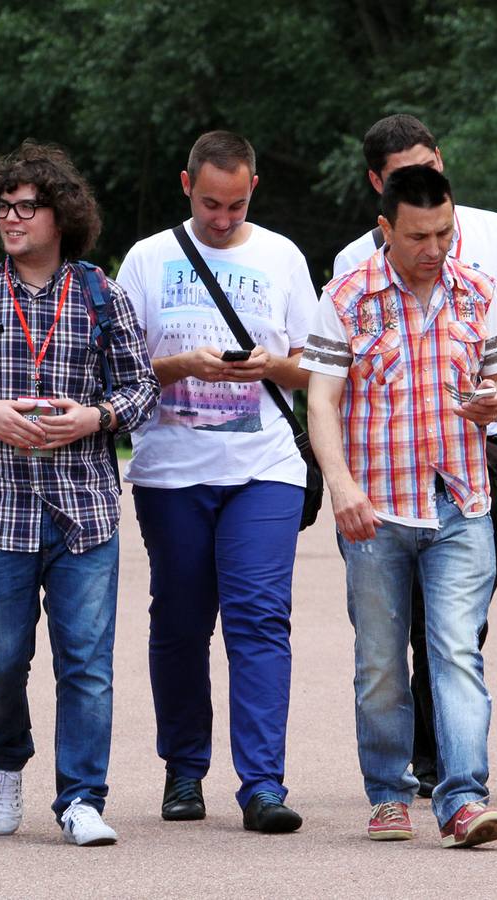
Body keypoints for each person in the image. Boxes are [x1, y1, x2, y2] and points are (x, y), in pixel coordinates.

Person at [0, 141, 158, 845]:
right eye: (2, 207)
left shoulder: (101, 294)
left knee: (87, 664)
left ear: (60, 214)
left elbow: (141, 387)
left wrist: (97, 418)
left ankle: (81, 796)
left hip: (83, 509)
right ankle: (6, 761)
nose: (11, 219)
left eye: (26, 207)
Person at [332, 115, 497, 795]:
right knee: (388, 634)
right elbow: (332, 387)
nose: (433, 241)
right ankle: (400, 768)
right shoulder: (351, 271)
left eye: (432, 167)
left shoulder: (489, 237)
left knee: (458, 623)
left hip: (475, 455)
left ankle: (445, 767)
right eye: (407, 175)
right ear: (380, 188)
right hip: (383, 469)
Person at [305, 164, 497, 848]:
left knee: (455, 651)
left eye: (445, 232)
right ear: (385, 229)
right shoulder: (345, 297)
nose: (435, 248)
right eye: (419, 235)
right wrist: (340, 486)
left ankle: (462, 797)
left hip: (461, 500)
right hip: (375, 509)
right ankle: (388, 790)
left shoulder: (477, 290)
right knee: (380, 662)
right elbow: (321, 400)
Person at [115, 131, 317, 833]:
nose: (222, 219)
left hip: (264, 466)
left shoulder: (282, 256)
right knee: (179, 620)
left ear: (253, 188)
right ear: (185, 185)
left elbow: (311, 368)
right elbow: (118, 370)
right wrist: (183, 366)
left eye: (235, 205)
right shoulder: (147, 259)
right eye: (209, 204)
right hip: (172, 470)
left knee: (260, 618)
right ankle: (184, 770)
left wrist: (269, 366)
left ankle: (262, 784)